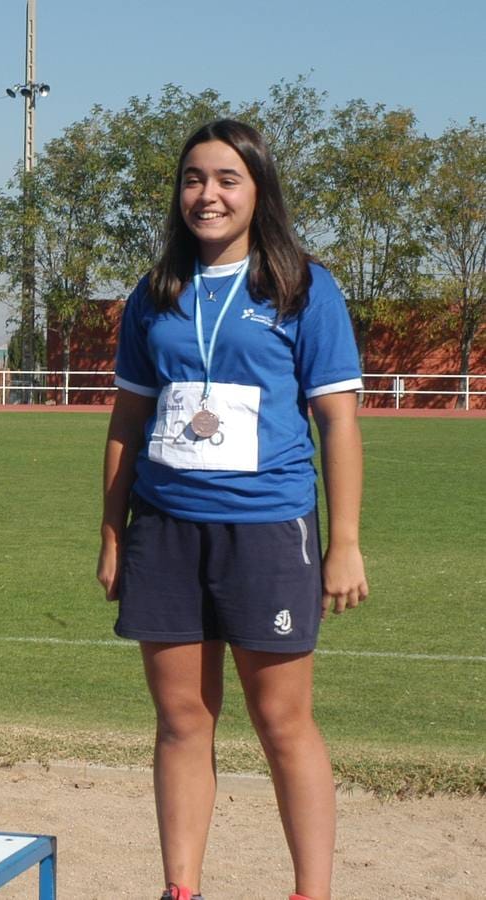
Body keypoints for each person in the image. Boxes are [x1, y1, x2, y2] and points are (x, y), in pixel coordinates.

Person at [96, 119, 369, 900]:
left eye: (225, 179)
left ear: (258, 191)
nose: (206, 194)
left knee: (283, 723)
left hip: (269, 528)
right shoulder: (155, 296)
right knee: (182, 720)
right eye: (192, 179)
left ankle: (309, 891)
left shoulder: (303, 287)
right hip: (167, 527)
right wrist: (114, 531)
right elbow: (126, 423)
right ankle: (180, 889)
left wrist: (343, 542)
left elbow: (339, 420)